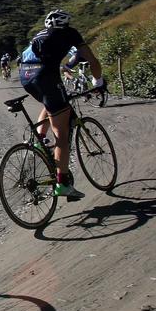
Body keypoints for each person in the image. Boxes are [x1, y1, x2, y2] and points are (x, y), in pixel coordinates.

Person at [18, 10, 104, 199]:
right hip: (45, 76)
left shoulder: (40, 34)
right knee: (62, 134)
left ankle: (39, 140)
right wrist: (98, 82)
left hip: (25, 76)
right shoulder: (70, 33)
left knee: (52, 104)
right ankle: (62, 183)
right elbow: (92, 60)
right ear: (66, 23)